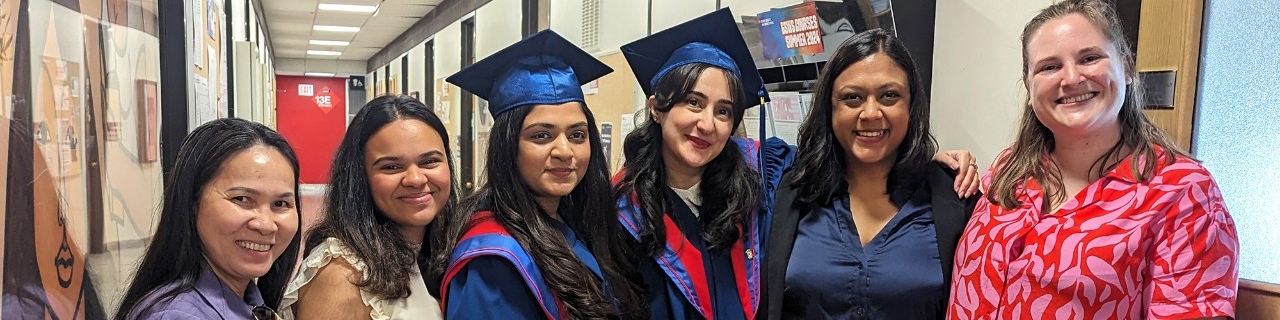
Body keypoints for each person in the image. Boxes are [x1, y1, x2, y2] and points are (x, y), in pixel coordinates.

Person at [614, 9, 980, 320]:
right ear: (656, 109)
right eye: (692, 102)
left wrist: (930, 160)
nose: (707, 123)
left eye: (724, 111)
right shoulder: (620, 211)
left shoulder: (762, 180)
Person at [947, 1, 1238, 319]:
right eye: (1049, 67)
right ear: (1030, 88)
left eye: (1089, 58)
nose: (1071, 78)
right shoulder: (1009, 167)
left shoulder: (1184, 192)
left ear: (1126, 68)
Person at [760, 28, 980, 320]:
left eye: (889, 95)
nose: (871, 113)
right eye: (853, 98)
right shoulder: (790, 190)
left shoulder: (954, 199)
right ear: (830, 107)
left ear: (912, 105)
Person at [433, 30, 643, 319]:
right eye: (541, 135)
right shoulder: (494, 260)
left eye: (577, 135)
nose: (565, 151)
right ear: (507, 147)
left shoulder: (573, 220)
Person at [279, 94, 452, 319]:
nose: (415, 179)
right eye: (391, 167)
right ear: (360, 176)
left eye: (429, 162)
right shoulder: (341, 275)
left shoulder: (447, 246)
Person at [114, 118, 301, 320]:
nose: (266, 225)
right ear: (192, 203)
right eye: (242, 199)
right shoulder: (178, 315)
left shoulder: (247, 296)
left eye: (280, 204)